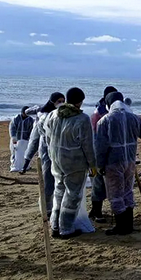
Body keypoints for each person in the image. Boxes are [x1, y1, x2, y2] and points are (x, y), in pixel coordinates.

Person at [95, 92, 141, 235]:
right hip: (130, 161)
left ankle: (121, 227)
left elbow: (100, 147)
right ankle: (128, 224)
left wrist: (99, 166)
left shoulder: (105, 121)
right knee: (127, 191)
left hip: (113, 162)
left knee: (115, 193)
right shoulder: (134, 118)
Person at [43, 87, 97, 239]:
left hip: (56, 160)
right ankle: (66, 228)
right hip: (75, 162)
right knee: (72, 195)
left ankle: (54, 225)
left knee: (59, 192)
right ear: (80, 102)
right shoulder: (82, 119)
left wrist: (52, 154)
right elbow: (88, 145)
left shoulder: (53, 114)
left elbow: (47, 137)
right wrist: (93, 165)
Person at [22, 92, 65, 217]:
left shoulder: (59, 115)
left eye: (63, 101)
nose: (61, 103)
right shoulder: (43, 116)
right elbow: (34, 140)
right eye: (59, 101)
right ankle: (46, 209)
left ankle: (55, 207)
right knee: (48, 182)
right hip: (46, 152)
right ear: (52, 101)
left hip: (59, 153)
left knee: (59, 182)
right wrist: (27, 160)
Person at [88, 86, 117, 224]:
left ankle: (95, 210)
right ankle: (97, 212)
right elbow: (96, 138)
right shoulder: (98, 114)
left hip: (110, 151)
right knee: (98, 183)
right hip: (97, 152)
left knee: (104, 184)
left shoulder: (110, 111)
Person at [9, 106, 34, 172]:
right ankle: (14, 165)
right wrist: (13, 137)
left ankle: (25, 165)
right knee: (14, 152)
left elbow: (32, 130)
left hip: (26, 140)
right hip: (16, 139)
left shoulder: (31, 120)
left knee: (25, 152)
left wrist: (30, 139)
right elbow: (12, 128)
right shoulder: (16, 119)